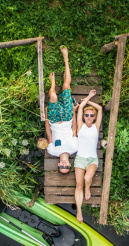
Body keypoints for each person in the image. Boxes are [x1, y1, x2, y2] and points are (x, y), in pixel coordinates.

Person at [45, 45, 79, 174]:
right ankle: (66, 59)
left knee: (53, 96)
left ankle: (52, 82)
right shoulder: (74, 148)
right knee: (66, 86)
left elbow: (49, 133)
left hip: (54, 120)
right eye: (67, 167)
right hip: (67, 117)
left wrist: (46, 118)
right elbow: (74, 129)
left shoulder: (52, 150)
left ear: (58, 164)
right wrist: (74, 112)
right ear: (70, 164)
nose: (64, 165)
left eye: (61, 167)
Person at [74, 90, 102, 222]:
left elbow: (100, 108)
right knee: (78, 185)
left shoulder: (96, 127)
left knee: (87, 177)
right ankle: (79, 211)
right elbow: (80, 109)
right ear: (84, 117)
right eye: (87, 115)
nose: (89, 117)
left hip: (92, 159)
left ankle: (88, 188)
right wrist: (88, 97)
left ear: (94, 117)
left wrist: (89, 101)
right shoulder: (80, 126)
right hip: (80, 159)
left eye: (91, 115)